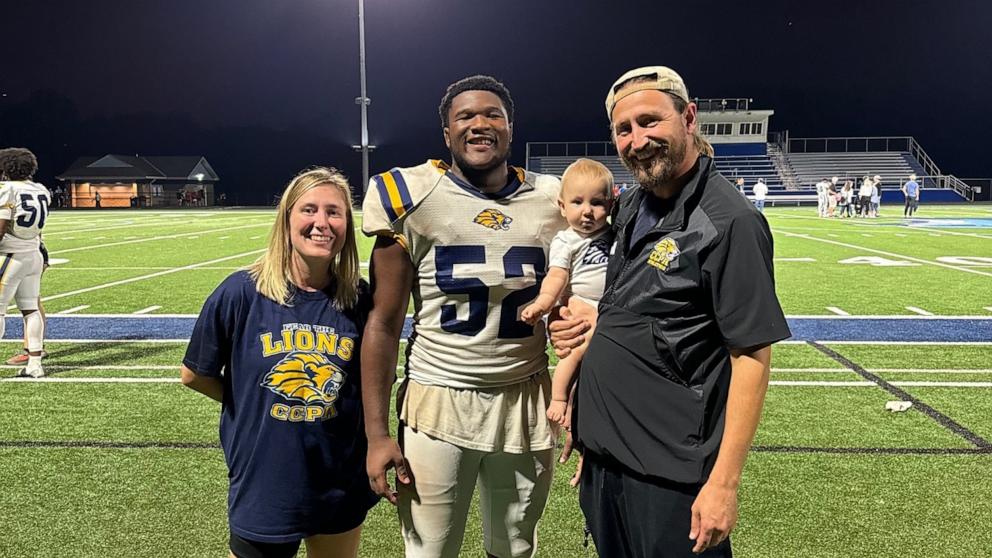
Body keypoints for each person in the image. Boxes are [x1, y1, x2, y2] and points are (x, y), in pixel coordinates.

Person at [552, 66, 791, 557]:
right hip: (606, 462)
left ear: (688, 118)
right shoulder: (634, 204)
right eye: (624, 129)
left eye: (650, 122)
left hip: (671, 475)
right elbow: (637, 306)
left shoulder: (730, 222)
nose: (638, 140)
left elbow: (750, 357)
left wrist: (724, 484)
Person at [361, 75, 565, 558]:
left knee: (515, 547)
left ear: (510, 129)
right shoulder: (409, 195)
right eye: (466, 116)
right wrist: (376, 435)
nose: (480, 124)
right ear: (447, 134)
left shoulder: (554, 199)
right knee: (430, 551)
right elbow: (384, 323)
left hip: (525, 399)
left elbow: (590, 282)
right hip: (438, 398)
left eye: (492, 114)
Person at [180, 167, 377, 558]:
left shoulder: (359, 298)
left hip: (338, 475)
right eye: (309, 210)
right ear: (286, 219)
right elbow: (194, 374)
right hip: (264, 477)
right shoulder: (240, 292)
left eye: (334, 213)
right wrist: (251, 401)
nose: (322, 223)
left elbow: (369, 383)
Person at [520, 158, 614, 426]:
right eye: (577, 202)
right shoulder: (566, 240)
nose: (587, 211)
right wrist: (544, 303)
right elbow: (557, 275)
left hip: (608, 306)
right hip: (582, 304)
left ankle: (587, 403)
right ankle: (559, 398)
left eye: (596, 203)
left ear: (610, 205)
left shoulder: (615, 234)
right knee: (575, 351)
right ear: (562, 206)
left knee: (596, 362)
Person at [0, 148, 51, 378]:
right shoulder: (41, 189)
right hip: (33, 254)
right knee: (30, 309)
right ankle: (34, 364)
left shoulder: (7, 190)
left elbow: (2, 226)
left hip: (11, 256)